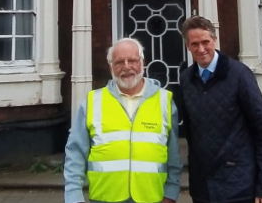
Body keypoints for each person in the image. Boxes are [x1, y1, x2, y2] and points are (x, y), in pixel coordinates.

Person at [64, 37, 182, 203]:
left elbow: (174, 156)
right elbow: (75, 153)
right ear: (110, 66)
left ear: (142, 62)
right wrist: (73, 196)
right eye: (119, 62)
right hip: (104, 198)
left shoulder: (165, 101)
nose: (126, 67)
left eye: (132, 60)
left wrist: (171, 193)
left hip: (151, 197)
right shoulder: (92, 101)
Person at [179, 16, 262, 203]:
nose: (201, 49)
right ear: (187, 46)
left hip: (238, 185)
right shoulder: (186, 80)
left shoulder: (240, 74)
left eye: (205, 42)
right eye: (194, 44)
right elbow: (191, 133)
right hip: (202, 187)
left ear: (214, 40)